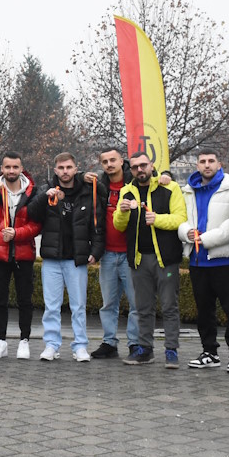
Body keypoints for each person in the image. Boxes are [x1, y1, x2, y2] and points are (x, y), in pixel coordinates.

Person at [27, 152, 104, 362]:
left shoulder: (87, 192)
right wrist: (45, 197)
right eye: (61, 168)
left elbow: (97, 224)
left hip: (76, 259)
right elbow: (31, 213)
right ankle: (51, 345)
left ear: (76, 168)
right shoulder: (47, 190)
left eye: (69, 167)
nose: (65, 171)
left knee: (78, 306)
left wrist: (95, 251)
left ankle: (80, 346)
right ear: (55, 170)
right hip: (52, 258)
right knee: (51, 306)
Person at [113, 151, 186, 367]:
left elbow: (181, 218)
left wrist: (158, 219)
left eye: (143, 165)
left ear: (151, 166)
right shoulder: (126, 191)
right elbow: (119, 225)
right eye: (135, 167)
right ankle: (145, 349)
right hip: (139, 259)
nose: (140, 170)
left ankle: (171, 350)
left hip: (166, 258)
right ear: (131, 170)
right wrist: (122, 212)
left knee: (169, 306)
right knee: (143, 307)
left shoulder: (170, 187)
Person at [178, 149, 229, 373]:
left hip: (224, 261)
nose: (207, 165)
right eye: (202, 161)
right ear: (197, 165)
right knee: (204, 312)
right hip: (197, 262)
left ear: (219, 164)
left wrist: (205, 239)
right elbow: (181, 219)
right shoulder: (187, 192)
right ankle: (209, 352)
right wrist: (186, 232)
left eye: (211, 161)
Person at [0, 152, 41, 360]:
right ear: (2, 169)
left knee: (25, 300)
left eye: (15, 167)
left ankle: (24, 341)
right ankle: (1, 341)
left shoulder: (32, 192)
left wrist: (17, 233)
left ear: (21, 169)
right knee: (0, 300)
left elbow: (37, 224)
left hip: (24, 253)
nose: (11, 171)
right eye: (7, 167)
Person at [88, 147, 140, 360]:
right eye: (105, 161)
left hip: (130, 254)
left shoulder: (134, 183)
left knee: (136, 304)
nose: (109, 164)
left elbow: (152, 176)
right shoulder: (99, 186)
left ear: (121, 161)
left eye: (113, 160)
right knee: (108, 304)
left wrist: (166, 175)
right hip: (108, 254)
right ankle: (109, 342)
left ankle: (135, 343)